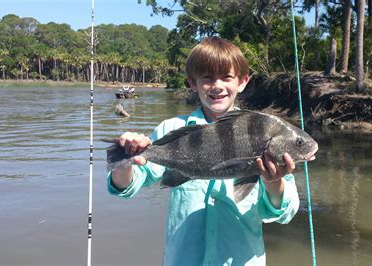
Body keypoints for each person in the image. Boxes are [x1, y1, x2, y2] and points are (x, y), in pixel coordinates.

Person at [107, 36, 300, 265]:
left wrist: (273, 182)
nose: (217, 85)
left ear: (243, 81)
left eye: (227, 77)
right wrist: (127, 159)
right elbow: (125, 187)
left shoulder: (265, 133)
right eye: (207, 78)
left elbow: (282, 213)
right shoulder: (172, 129)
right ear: (192, 83)